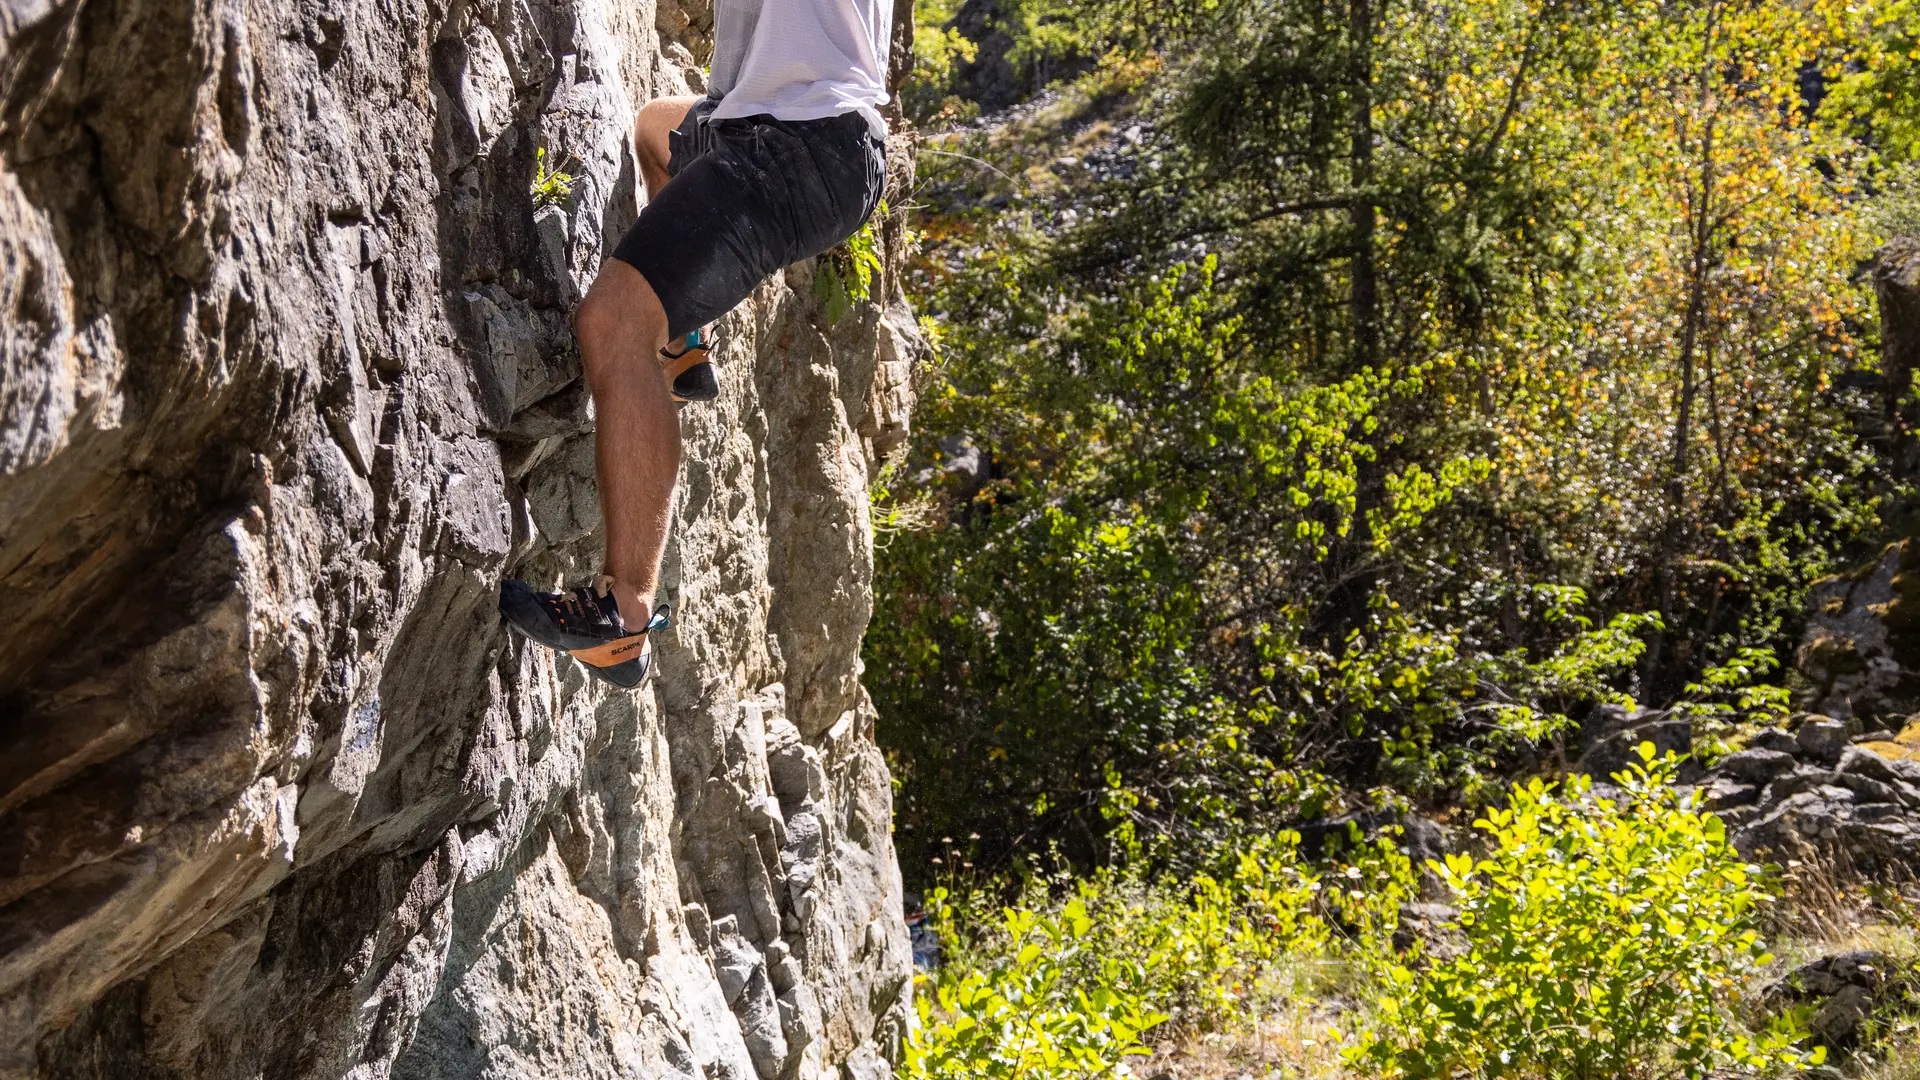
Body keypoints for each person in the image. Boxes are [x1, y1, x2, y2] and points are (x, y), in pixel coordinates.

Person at [498, 0, 893, 687]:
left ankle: (622, 613)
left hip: (802, 144)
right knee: (656, 132)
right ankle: (684, 339)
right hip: (779, 130)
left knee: (615, 325)